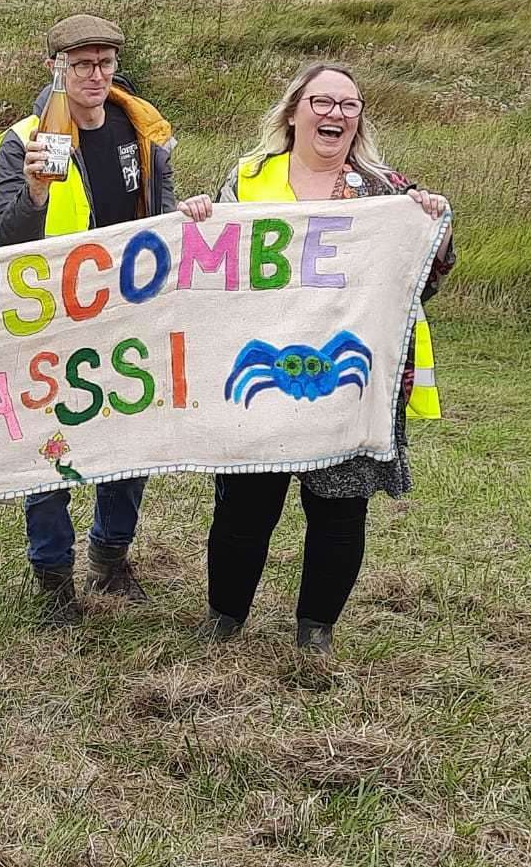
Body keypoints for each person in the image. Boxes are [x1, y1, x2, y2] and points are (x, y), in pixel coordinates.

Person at [175, 61, 454, 653]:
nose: (336, 114)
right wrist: (199, 218)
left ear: (359, 119)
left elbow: (422, 279)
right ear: (295, 110)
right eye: (323, 102)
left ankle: (316, 631)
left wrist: (430, 223)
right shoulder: (249, 179)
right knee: (245, 507)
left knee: (340, 507)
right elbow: (210, 266)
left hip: (346, 378)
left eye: (349, 105)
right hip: (262, 372)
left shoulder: (386, 191)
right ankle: (225, 618)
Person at [0, 15, 177, 624]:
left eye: (105, 62)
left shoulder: (143, 131)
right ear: (55, 67)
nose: (95, 75)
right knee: (50, 444)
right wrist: (36, 192)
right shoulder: (20, 141)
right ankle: (53, 575)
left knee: (132, 439)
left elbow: (162, 218)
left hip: (129, 313)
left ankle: (112, 557)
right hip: (49, 320)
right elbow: (1, 235)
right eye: (81, 64)